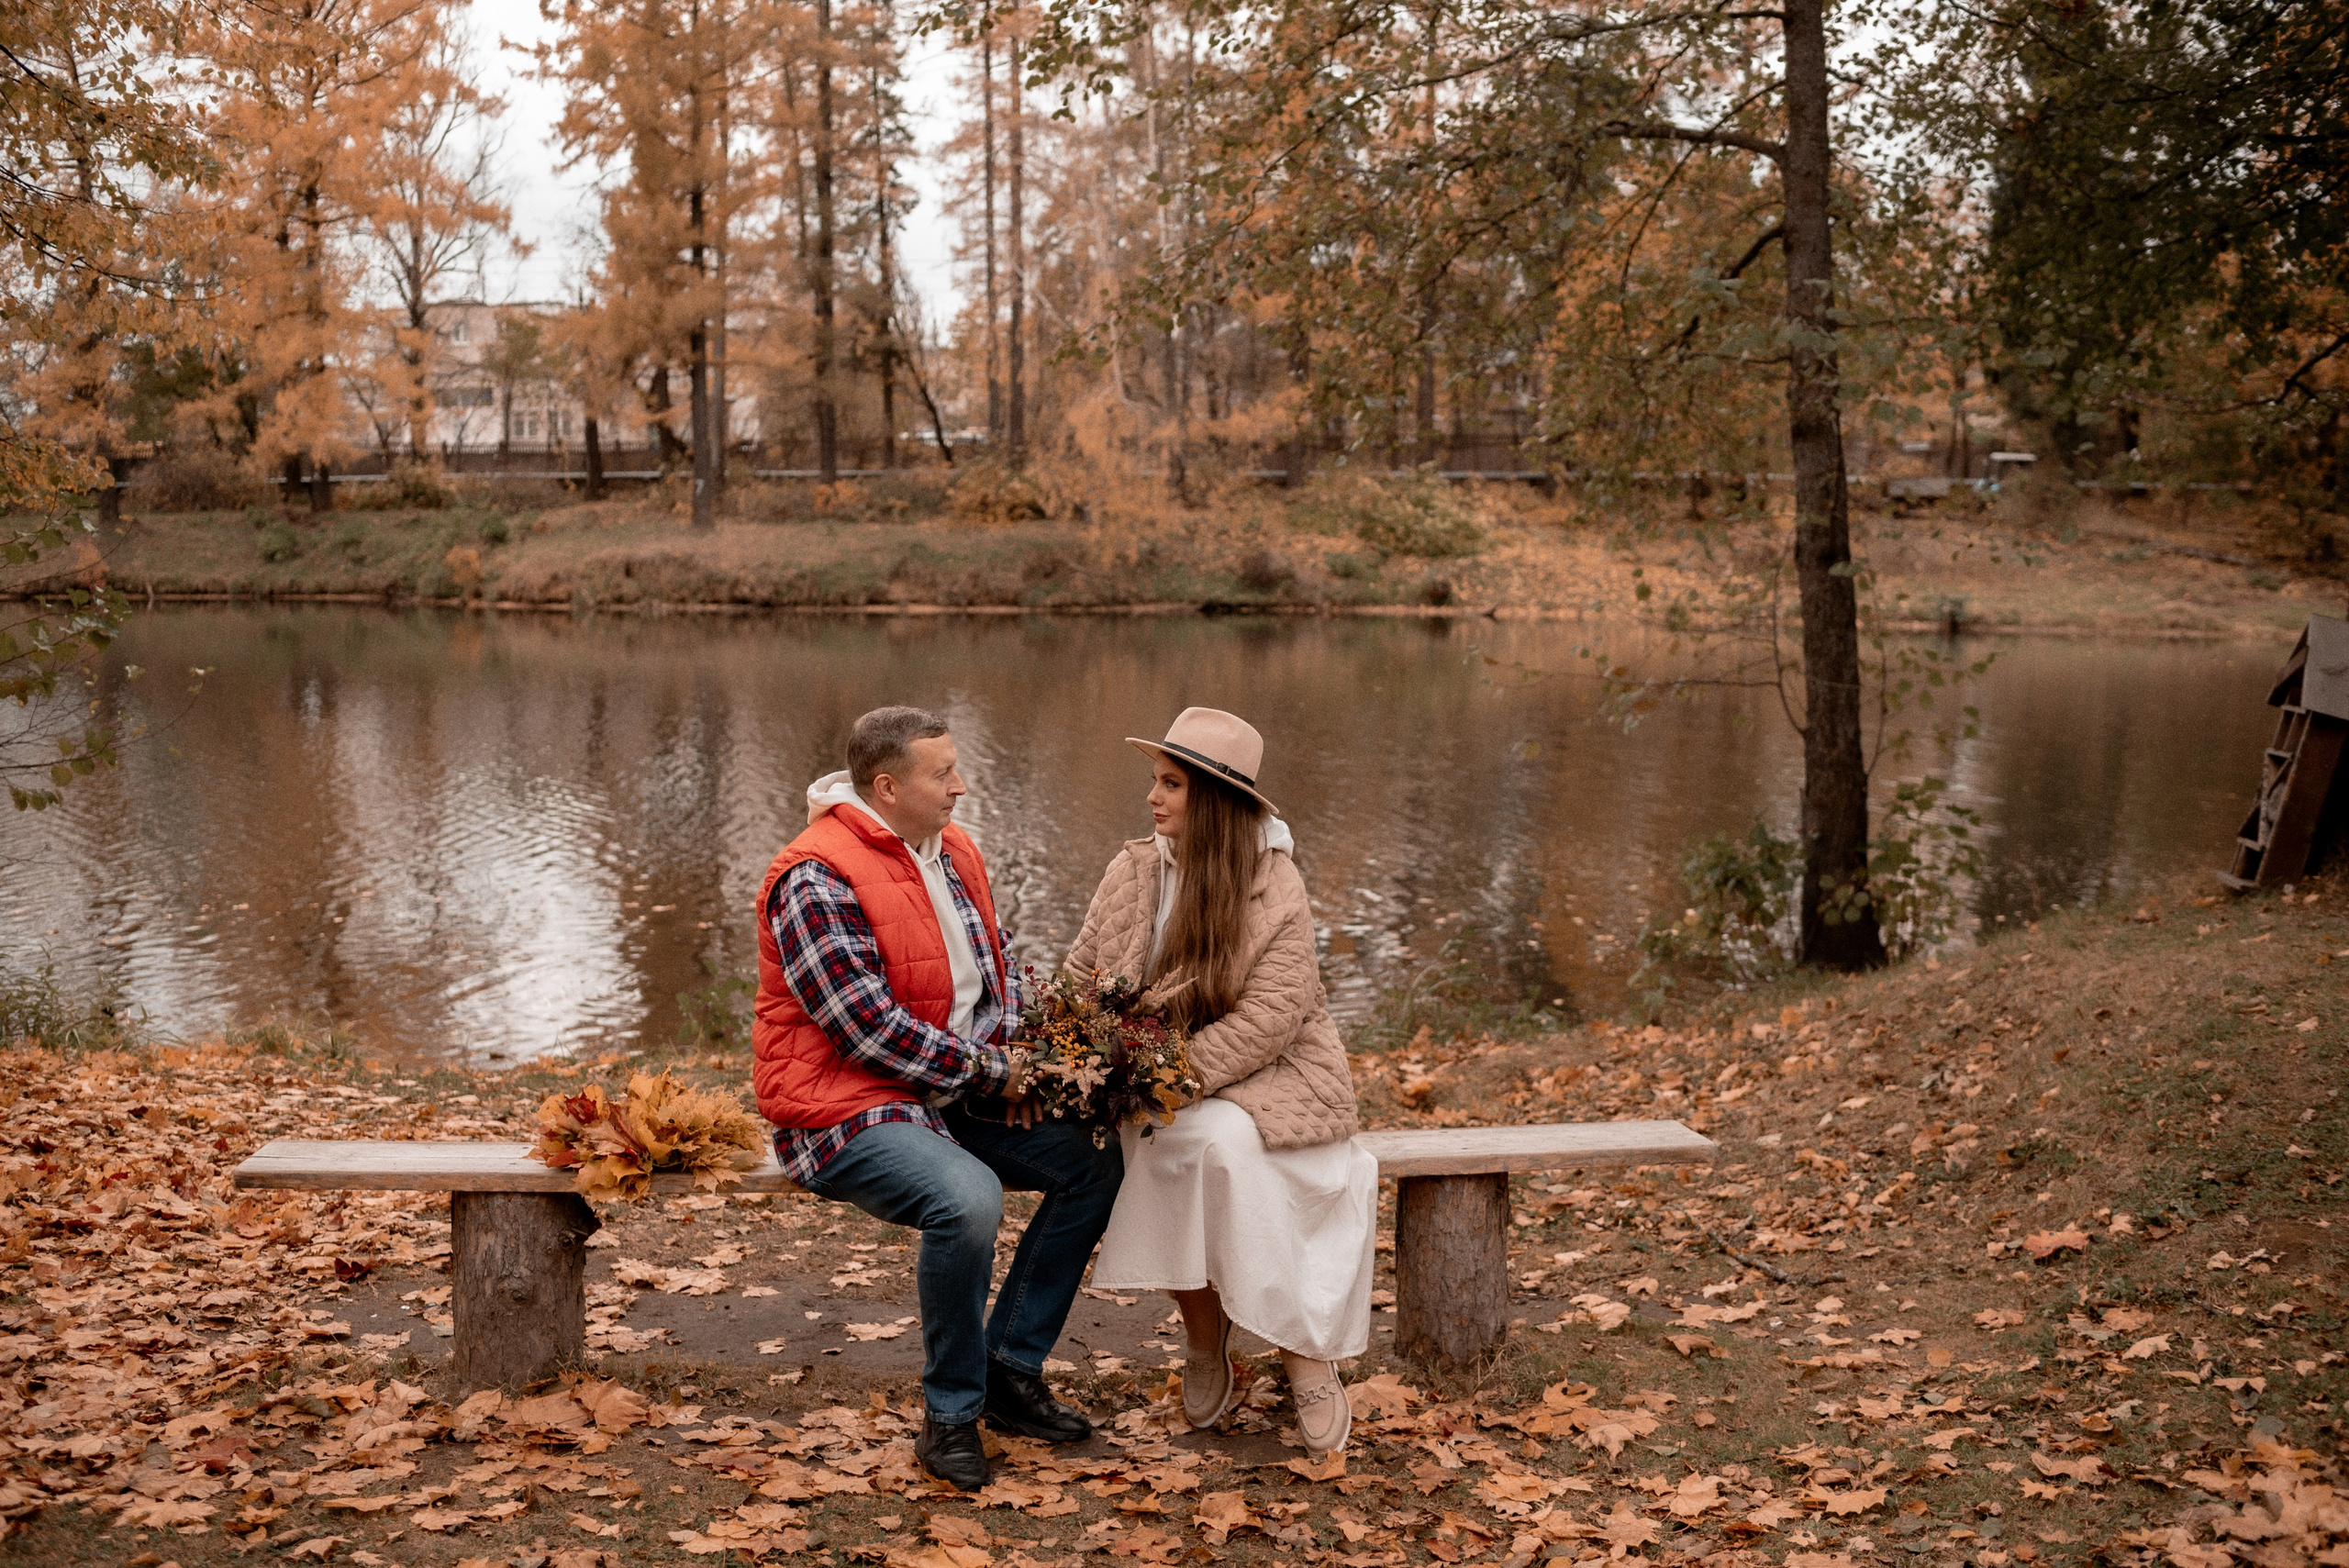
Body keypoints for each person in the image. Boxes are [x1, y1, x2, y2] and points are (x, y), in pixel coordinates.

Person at [752, 706, 1123, 1493]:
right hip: (843, 1103)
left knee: (1091, 1158)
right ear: (887, 787)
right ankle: (951, 1411)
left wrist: (1021, 1059)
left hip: (947, 1086)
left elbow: (1000, 972)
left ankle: (1010, 1371)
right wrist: (993, 1075)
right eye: (943, 773)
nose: (962, 786)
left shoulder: (952, 849)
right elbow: (866, 1032)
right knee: (967, 1196)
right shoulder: (815, 875)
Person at [1069, 707, 1375, 1459]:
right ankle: (1208, 1339)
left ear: (1213, 798)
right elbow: (1079, 974)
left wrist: (1171, 1078)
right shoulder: (1133, 869)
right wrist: (1095, 1056)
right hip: (1155, 1090)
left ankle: (1304, 1349)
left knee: (1225, 1148)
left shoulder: (1273, 882)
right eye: (1155, 780)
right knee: (1180, 1144)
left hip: (1271, 1074)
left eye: (1171, 783)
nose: (1153, 797)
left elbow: (1274, 1016)